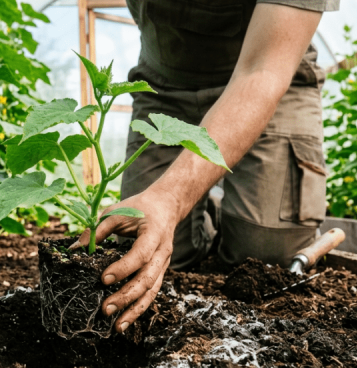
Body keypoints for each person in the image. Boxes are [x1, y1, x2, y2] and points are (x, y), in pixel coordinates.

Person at [71, 0, 339, 332]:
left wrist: (170, 198)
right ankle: (209, 210)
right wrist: (168, 201)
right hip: (164, 88)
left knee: (264, 260)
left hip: (267, 74)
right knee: (140, 249)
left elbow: (263, 71)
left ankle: (228, 212)